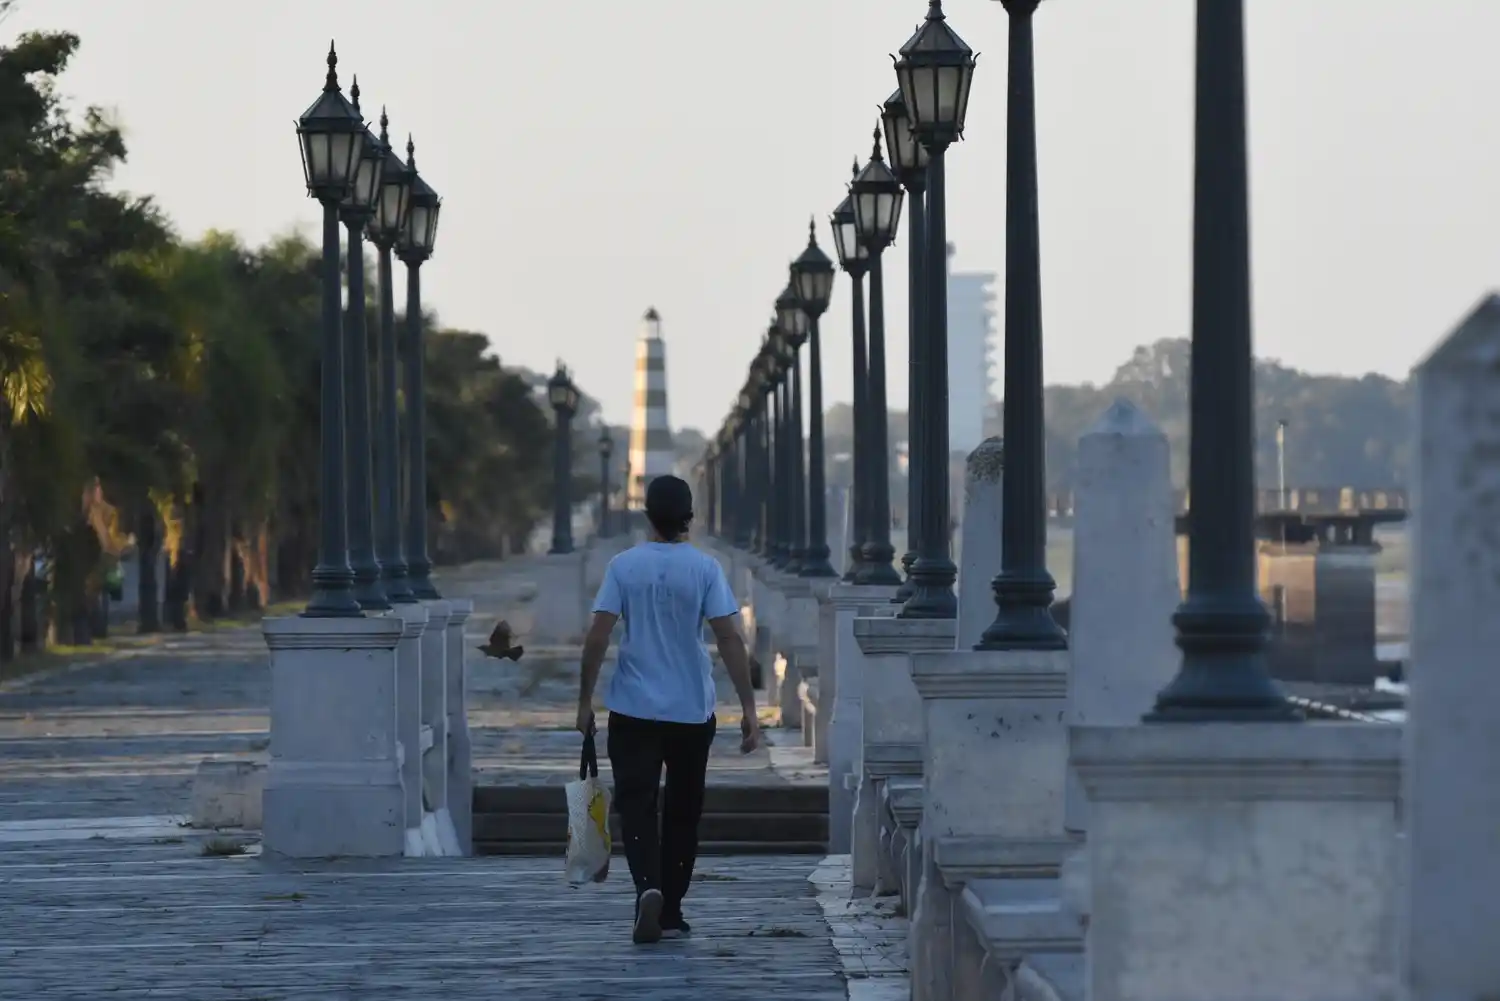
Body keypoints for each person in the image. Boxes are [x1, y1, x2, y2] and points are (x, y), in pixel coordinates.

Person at [575, 474, 762, 945]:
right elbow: (728, 638)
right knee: (683, 810)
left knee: (636, 804)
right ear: (689, 517)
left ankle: (648, 888)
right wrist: (749, 708)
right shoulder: (705, 569)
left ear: (647, 516)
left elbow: (598, 635)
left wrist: (583, 701)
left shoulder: (624, 566)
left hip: (633, 707)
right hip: (690, 711)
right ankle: (672, 910)